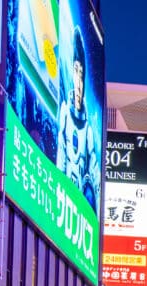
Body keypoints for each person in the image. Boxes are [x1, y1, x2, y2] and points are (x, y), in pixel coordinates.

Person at [56, 27, 100, 210]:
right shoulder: (65, 112)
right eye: (76, 71)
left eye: (82, 74)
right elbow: (60, 159)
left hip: (76, 217)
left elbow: (97, 180)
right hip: (58, 205)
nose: (79, 80)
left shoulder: (88, 131)